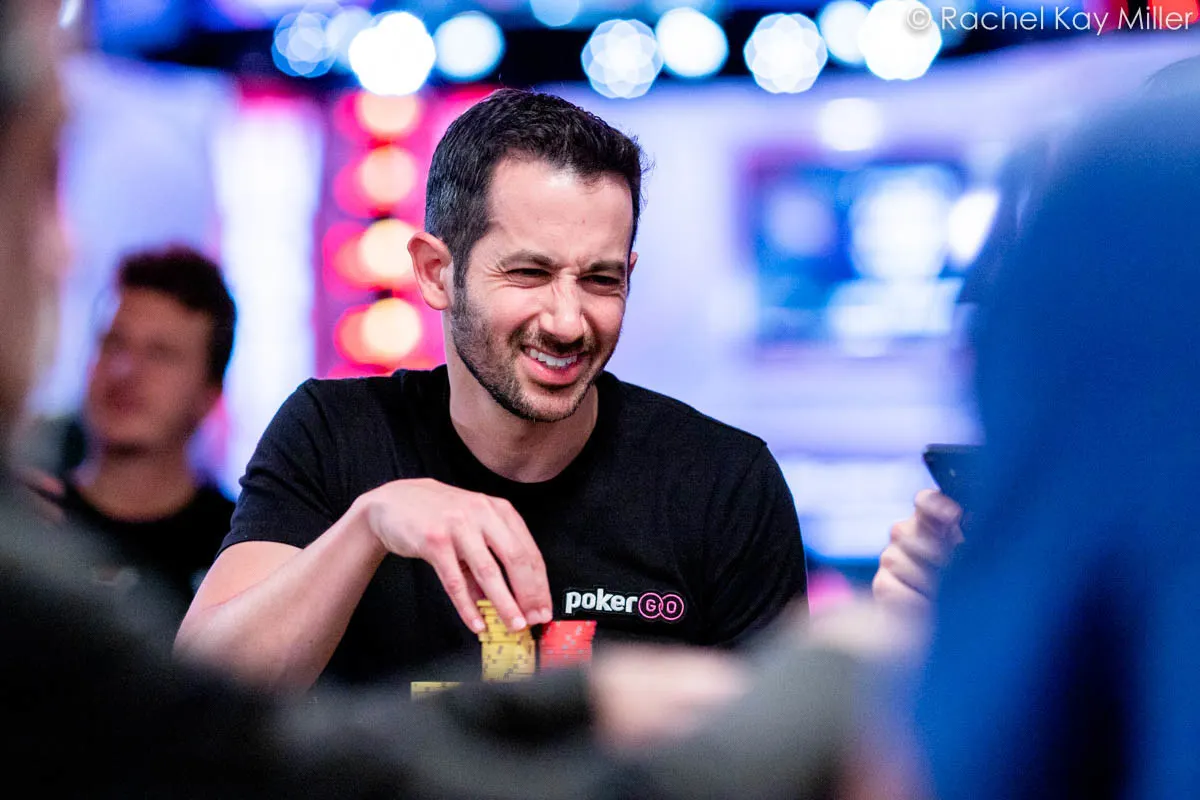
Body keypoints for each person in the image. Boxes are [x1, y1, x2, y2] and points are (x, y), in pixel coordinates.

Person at [177, 89, 808, 689]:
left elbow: (788, 743)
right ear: (436, 273)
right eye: (529, 272)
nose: (567, 322)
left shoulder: (721, 481)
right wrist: (366, 528)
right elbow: (199, 699)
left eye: (600, 280)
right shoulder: (336, 435)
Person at [41, 246, 235, 614]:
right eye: (113, 343)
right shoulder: (32, 526)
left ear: (210, 394)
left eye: (161, 353)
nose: (125, 370)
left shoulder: (241, 553)